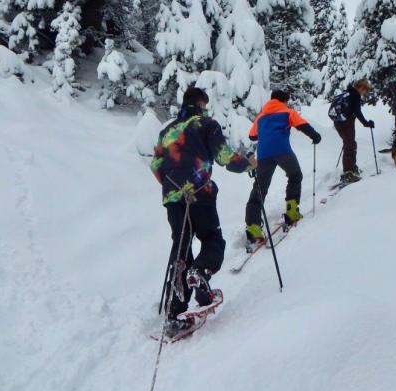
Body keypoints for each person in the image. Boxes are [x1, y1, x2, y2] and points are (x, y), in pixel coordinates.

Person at [150, 86, 256, 335]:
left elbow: (156, 165)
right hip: (200, 193)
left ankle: (175, 312)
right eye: (205, 105)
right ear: (199, 104)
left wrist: (172, 184)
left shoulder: (166, 131)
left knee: (181, 247)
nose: (206, 109)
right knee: (211, 239)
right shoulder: (207, 124)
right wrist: (248, 164)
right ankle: (201, 271)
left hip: (174, 197)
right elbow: (223, 156)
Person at [244, 90, 321, 245]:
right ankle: (292, 212)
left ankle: (253, 227)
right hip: (282, 150)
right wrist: (315, 136)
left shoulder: (261, 116)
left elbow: (252, 136)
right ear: (284, 100)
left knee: (260, 187)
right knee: (295, 175)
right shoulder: (287, 111)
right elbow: (302, 125)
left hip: (264, 154)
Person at [333, 79, 375, 183]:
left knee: (350, 144)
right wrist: (366, 123)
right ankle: (348, 173)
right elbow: (357, 112)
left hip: (339, 122)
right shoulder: (355, 95)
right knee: (349, 146)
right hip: (346, 124)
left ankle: (352, 167)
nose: (364, 93)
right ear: (361, 87)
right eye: (365, 90)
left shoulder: (347, 92)